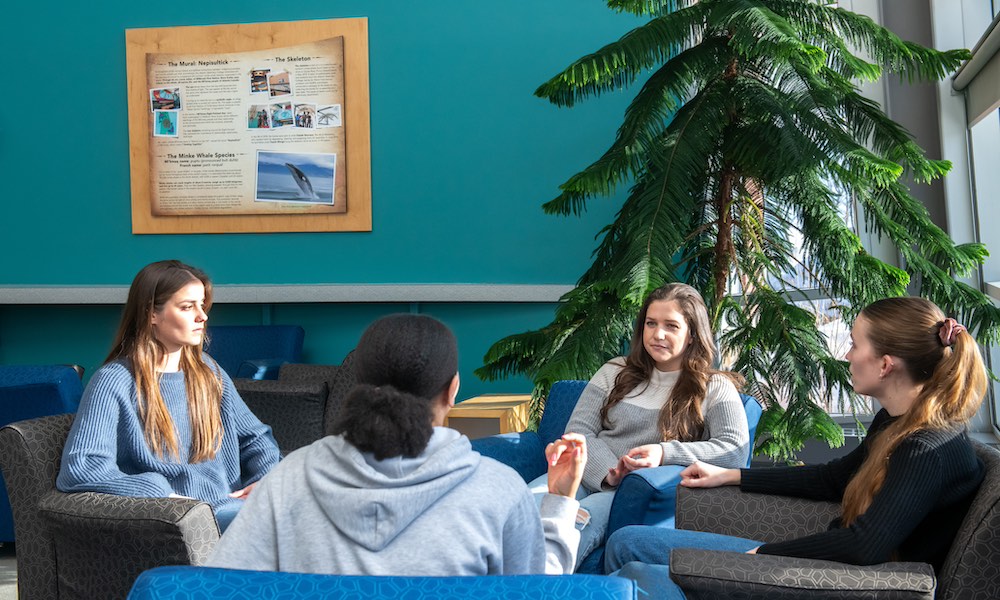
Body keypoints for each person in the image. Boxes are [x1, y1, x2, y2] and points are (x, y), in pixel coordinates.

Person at [605, 296, 988, 600]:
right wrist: (731, 475)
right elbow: (834, 477)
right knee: (627, 542)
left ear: (885, 365)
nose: (847, 355)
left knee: (634, 568)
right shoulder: (898, 420)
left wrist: (763, 557)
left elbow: (865, 544)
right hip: (821, 563)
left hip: (840, 581)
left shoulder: (925, 449)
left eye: (855, 345)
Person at [207, 313, 587, 575]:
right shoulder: (498, 490)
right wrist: (559, 503)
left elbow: (225, 584)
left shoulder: (288, 479)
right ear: (452, 389)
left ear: (358, 386)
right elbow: (537, 591)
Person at [56, 260, 280, 531]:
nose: (202, 316)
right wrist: (162, 493)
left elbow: (255, 438)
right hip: (179, 519)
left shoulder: (207, 371)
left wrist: (265, 480)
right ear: (151, 313)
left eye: (202, 305)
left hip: (229, 506)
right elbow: (81, 467)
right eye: (187, 307)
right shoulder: (114, 380)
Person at [547, 283, 750, 567]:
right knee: (526, 509)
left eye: (671, 326)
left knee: (576, 524)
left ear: (692, 334)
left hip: (629, 494)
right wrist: (609, 473)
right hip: (585, 474)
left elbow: (734, 451)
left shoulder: (715, 386)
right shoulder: (614, 370)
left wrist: (663, 453)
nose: (658, 334)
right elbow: (578, 432)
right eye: (651, 323)